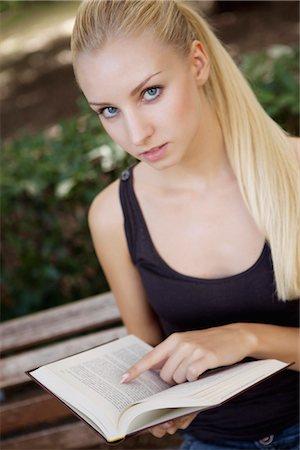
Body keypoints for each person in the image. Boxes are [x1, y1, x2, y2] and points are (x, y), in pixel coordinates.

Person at [71, 1, 300, 448]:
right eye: (108, 110)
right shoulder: (113, 216)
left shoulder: (294, 171)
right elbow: (146, 359)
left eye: (150, 92)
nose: (136, 135)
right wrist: (159, 399)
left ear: (197, 63)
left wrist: (245, 338)